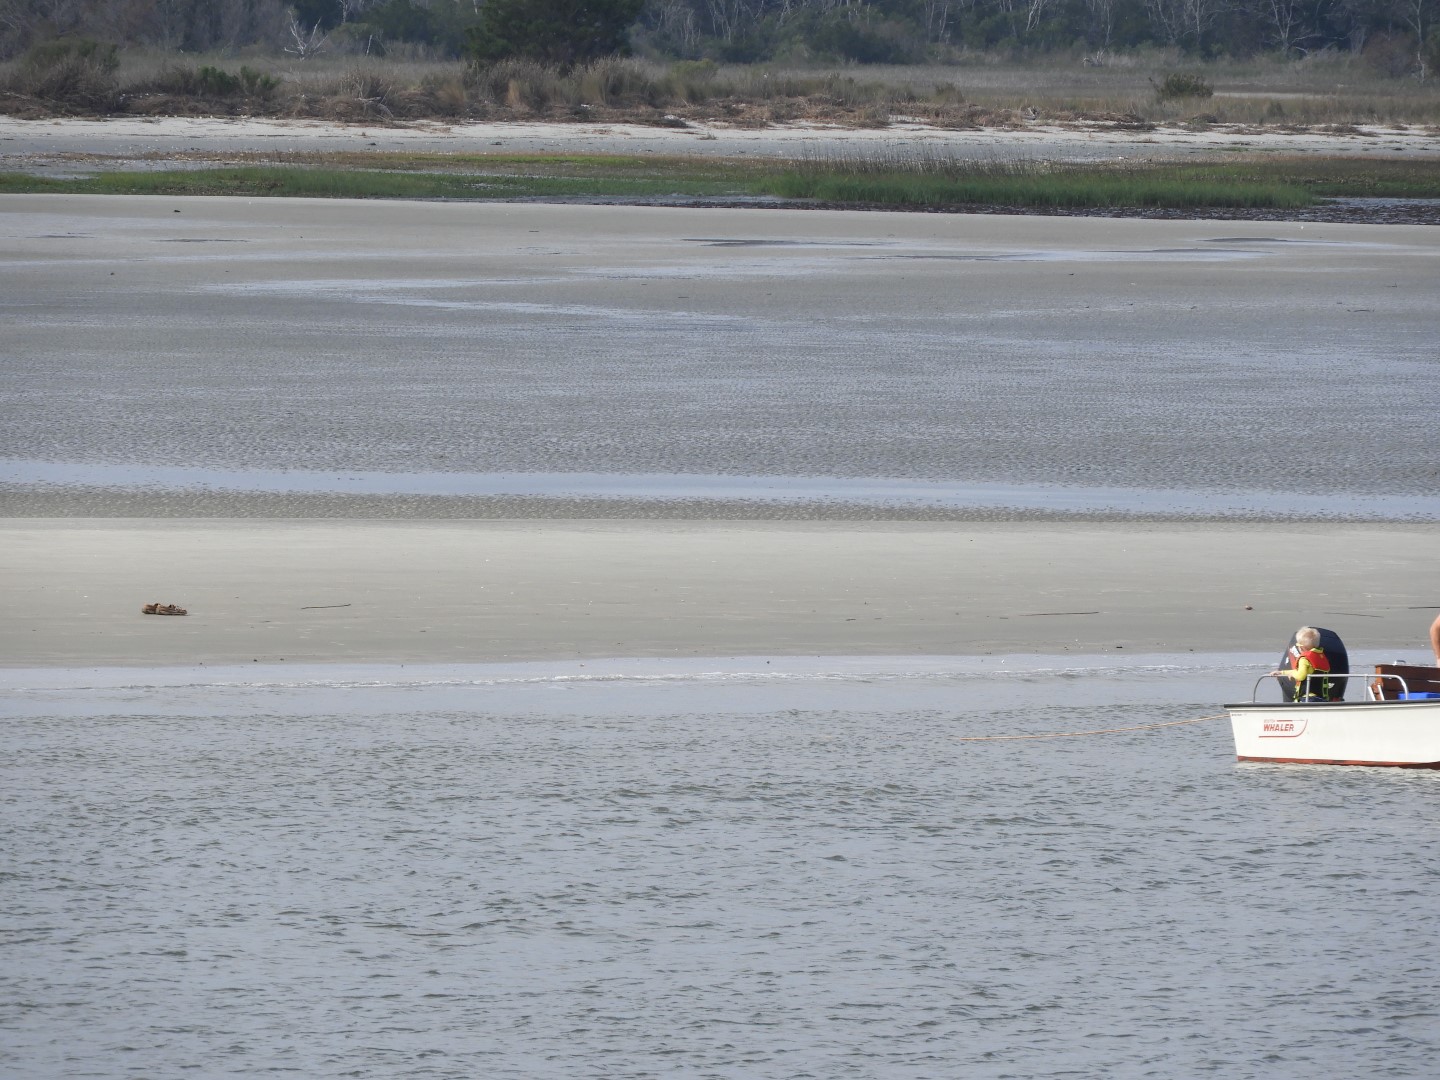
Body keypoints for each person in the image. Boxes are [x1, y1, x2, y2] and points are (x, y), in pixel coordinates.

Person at [1269, 626, 1334, 702]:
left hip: (1307, 698)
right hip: (1321, 697)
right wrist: (1281, 672)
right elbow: (1301, 671)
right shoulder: (1320, 656)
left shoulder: (1304, 659)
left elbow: (1300, 676)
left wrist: (1293, 674)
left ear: (1302, 647)